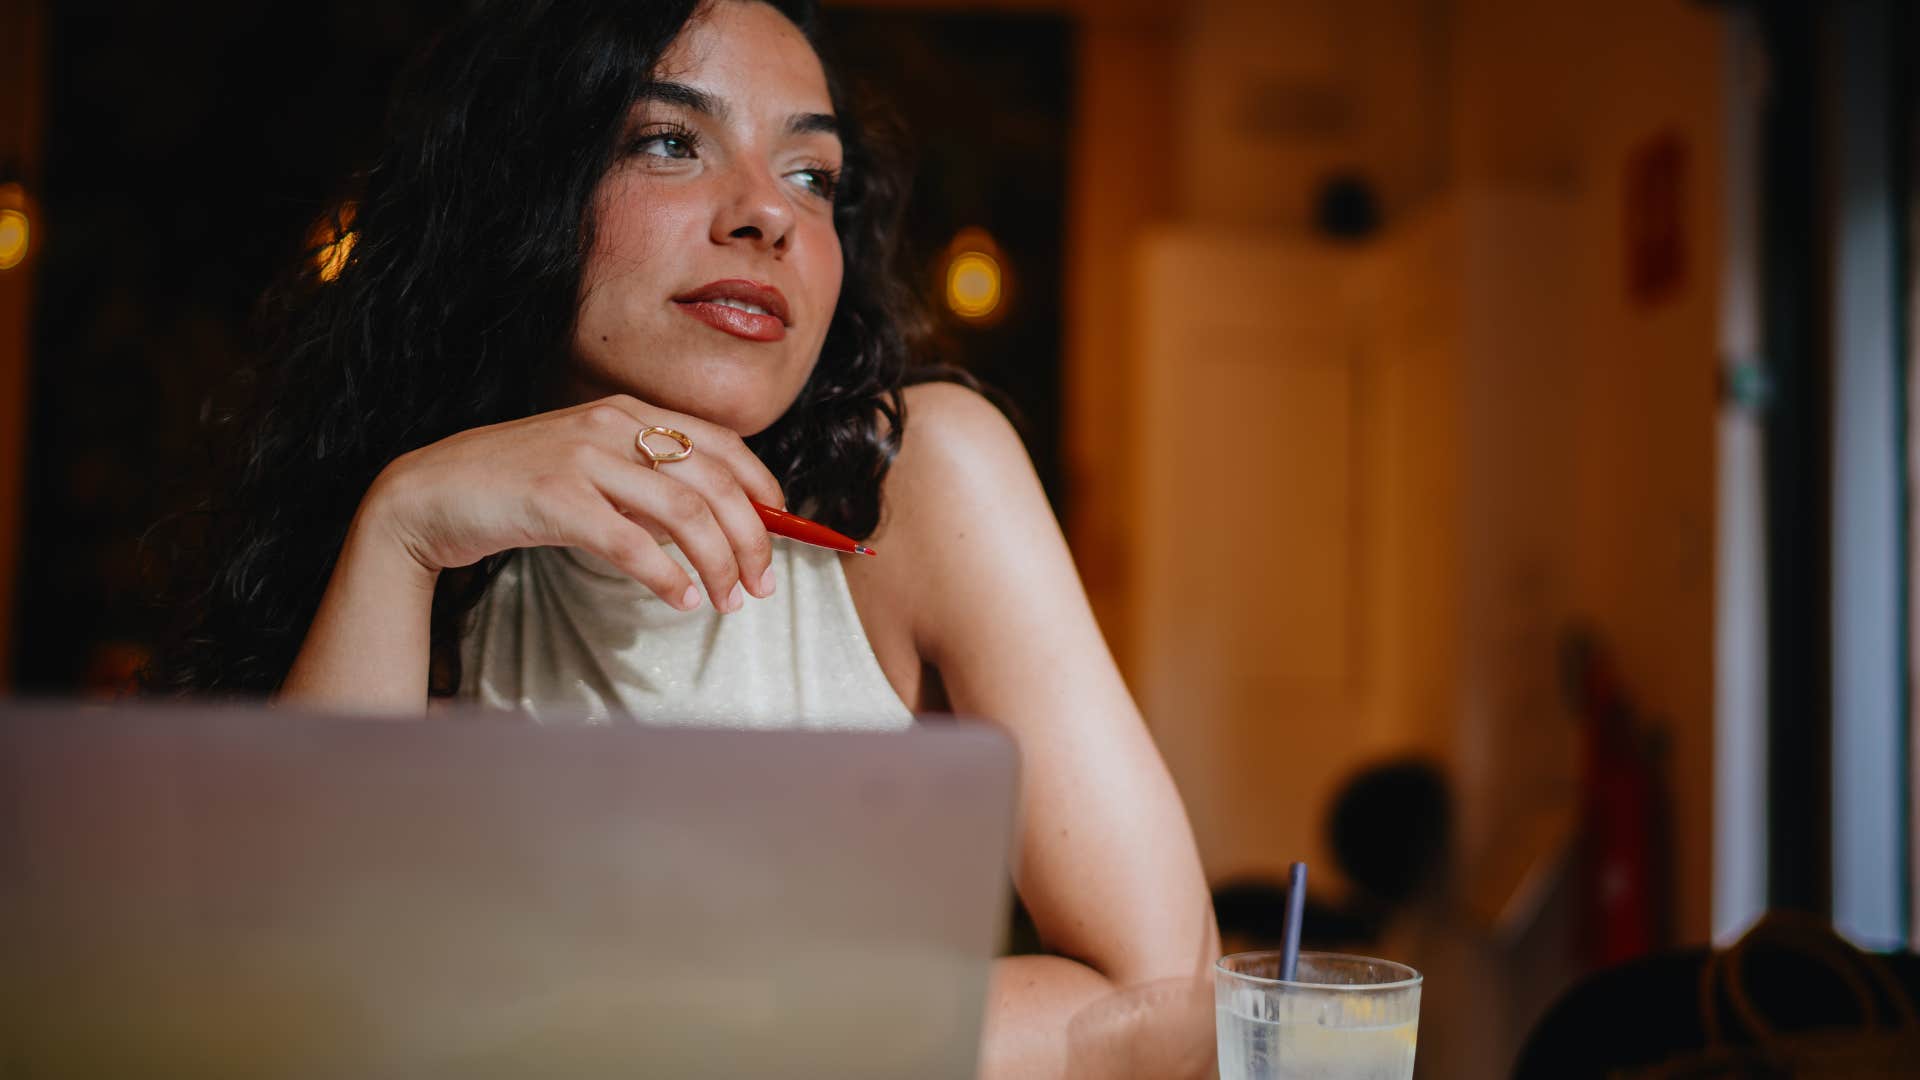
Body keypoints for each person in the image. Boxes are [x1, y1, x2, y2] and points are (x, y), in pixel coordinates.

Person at [152, 0, 1216, 1073]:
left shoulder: (918, 474)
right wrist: (404, 527)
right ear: (521, 186)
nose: (769, 213)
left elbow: (1164, 1006)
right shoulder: (422, 528)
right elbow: (289, 1019)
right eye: (670, 143)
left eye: (814, 176)